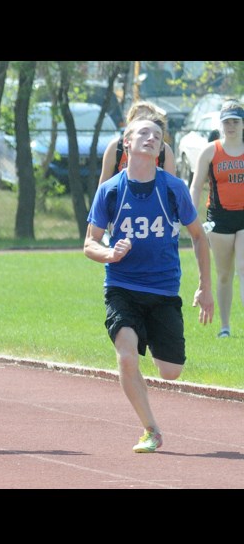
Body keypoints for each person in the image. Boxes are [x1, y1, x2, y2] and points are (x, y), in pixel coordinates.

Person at [84, 117, 213, 453]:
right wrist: (110, 253)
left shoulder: (173, 188)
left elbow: (199, 237)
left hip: (164, 290)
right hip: (122, 287)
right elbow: (89, 243)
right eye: (144, 133)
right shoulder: (110, 190)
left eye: (158, 135)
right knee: (126, 357)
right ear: (127, 143)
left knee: (171, 371)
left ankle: (151, 355)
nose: (152, 138)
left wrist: (205, 287)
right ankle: (151, 429)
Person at [190, 100, 244, 339]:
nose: (231, 126)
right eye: (227, 122)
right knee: (224, 274)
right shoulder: (211, 151)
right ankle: (225, 326)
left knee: (243, 268)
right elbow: (195, 186)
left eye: (235, 121)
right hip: (219, 220)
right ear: (220, 125)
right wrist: (191, 218)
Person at [98, 100, 177, 185]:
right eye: (139, 119)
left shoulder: (164, 150)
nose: (144, 123)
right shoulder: (116, 146)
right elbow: (103, 183)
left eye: (147, 118)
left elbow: (172, 187)